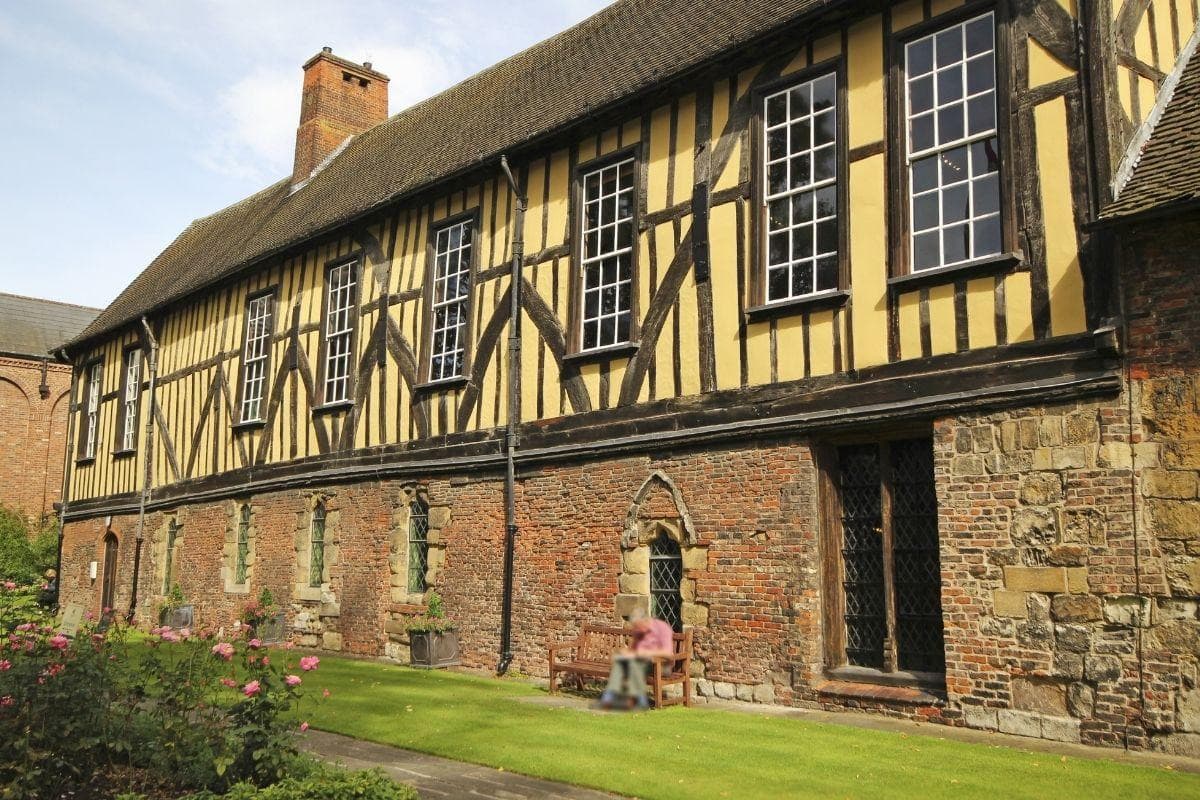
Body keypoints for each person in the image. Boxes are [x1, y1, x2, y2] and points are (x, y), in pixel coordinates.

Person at [597, 608, 675, 710]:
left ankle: (638, 701)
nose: (637, 630)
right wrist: (626, 652)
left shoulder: (662, 628)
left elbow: (668, 653)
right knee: (620, 663)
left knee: (633, 666)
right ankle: (609, 698)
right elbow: (634, 650)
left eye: (638, 626)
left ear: (645, 621)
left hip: (662, 665)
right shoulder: (639, 631)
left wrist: (647, 653)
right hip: (642, 662)